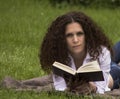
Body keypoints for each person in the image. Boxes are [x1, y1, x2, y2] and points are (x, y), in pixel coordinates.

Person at [39, 11, 120, 94]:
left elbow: (100, 86)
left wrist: (93, 87)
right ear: (62, 39)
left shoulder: (101, 51)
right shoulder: (58, 54)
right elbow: (60, 88)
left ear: (86, 35)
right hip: (113, 73)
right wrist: (91, 89)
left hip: (103, 61)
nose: (75, 40)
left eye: (79, 34)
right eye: (69, 35)